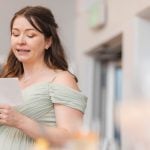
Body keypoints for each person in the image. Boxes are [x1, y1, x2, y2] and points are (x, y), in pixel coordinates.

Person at [0, 5, 87, 150]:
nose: (20, 41)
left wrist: (19, 121)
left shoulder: (61, 79)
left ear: (48, 41)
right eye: (15, 34)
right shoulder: (8, 78)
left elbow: (73, 138)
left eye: (30, 35)